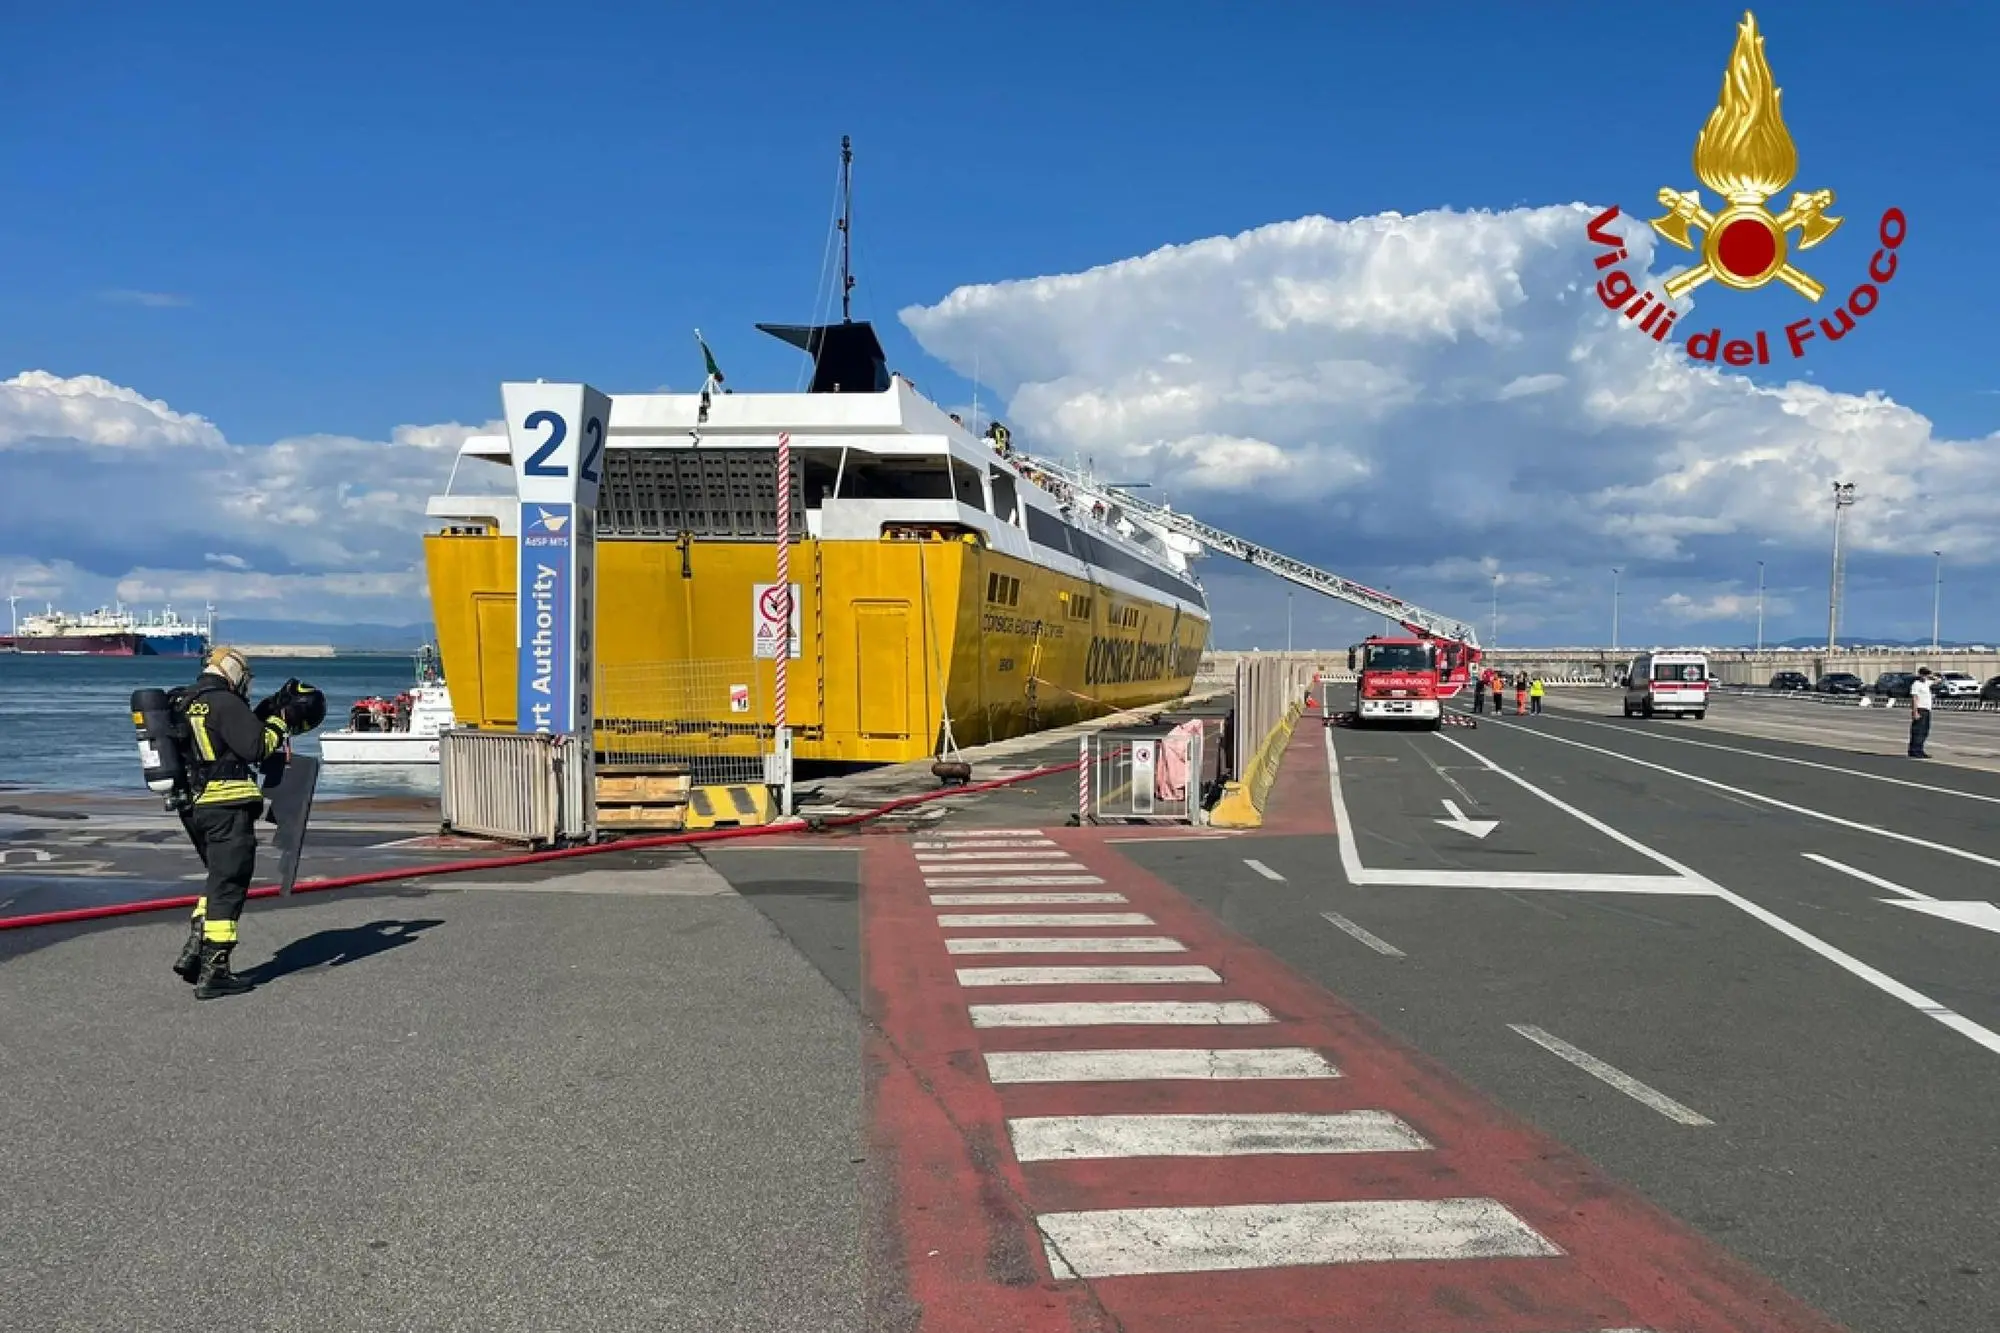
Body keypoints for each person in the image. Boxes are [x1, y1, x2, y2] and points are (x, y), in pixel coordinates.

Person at [168, 647, 326, 999]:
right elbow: (256, 747)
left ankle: (196, 949)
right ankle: (216, 970)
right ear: (234, 671)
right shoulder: (224, 702)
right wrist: (279, 721)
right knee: (230, 884)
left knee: (218, 878)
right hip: (227, 806)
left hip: (192, 807)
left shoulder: (181, 701)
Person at [1908, 666, 1934, 759]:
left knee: (1924, 731)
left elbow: (1938, 680)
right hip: (1920, 709)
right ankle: (1914, 750)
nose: (1925, 677)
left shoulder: (1926, 683)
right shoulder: (1916, 684)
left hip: (1927, 710)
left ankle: (1920, 749)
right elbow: (1914, 699)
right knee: (1918, 731)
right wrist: (1915, 712)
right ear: (1920, 675)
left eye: (1927, 675)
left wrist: (1932, 676)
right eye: (1924, 675)